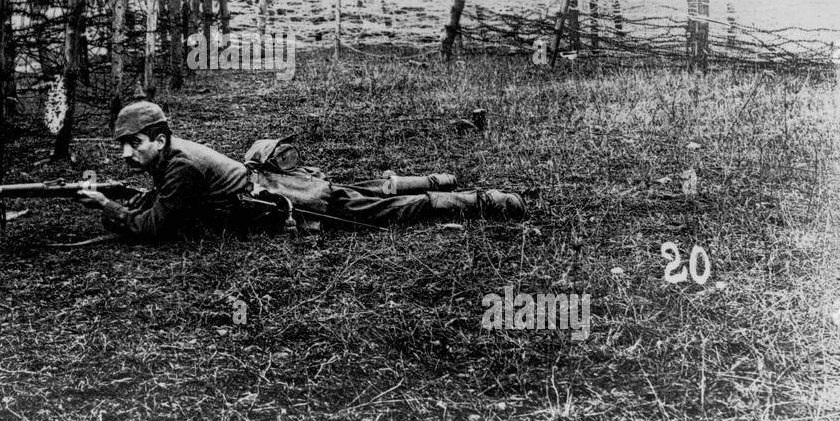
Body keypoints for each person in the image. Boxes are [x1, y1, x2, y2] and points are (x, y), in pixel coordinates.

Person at [76, 101, 528, 243]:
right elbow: (165, 205)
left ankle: (486, 200)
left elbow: (158, 226)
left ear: (158, 138)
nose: (126, 154)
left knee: (388, 208)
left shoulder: (181, 166)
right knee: (363, 189)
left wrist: (108, 208)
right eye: (122, 146)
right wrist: (121, 200)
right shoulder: (173, 155)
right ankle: (439, 178)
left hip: (286, 201)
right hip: (280, 187)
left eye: (133, 144)